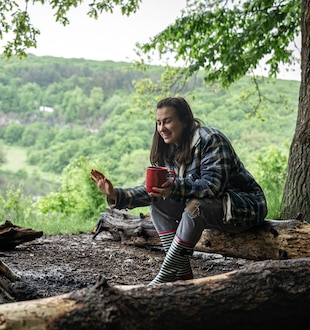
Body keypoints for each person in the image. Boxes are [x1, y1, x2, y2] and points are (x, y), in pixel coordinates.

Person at [90, 96, 268, 284]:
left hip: (243, 207)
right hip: (213, 210)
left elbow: (213, 187)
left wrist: (174, 188)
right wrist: (115, 194)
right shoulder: (168, 150)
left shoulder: (210, 139)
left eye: (167, 121)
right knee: (157, 202)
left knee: (196, 206)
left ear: (184, 120)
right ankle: (182, 275)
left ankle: (165, 274)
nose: (162, 128)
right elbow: (152, 190)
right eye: (158, 123)